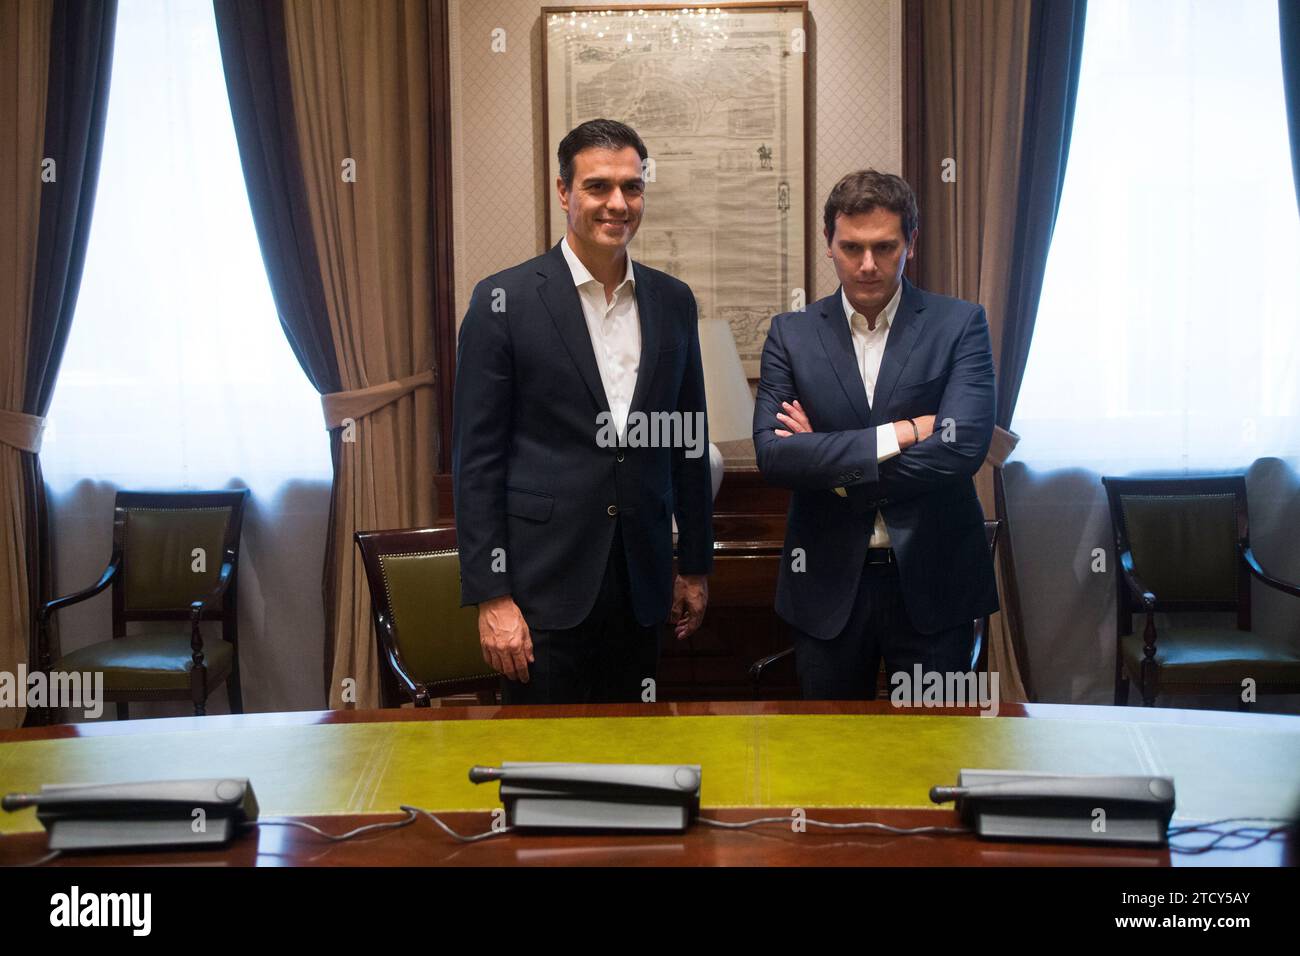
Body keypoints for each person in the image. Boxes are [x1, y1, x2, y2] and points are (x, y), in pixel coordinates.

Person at [453, 118, 712, 705]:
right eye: (598, 187)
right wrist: (492, 597)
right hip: (542, 592)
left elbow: (688, 442)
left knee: (638, 764)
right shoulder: (503, 301)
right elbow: (477, 464)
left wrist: (695, 564)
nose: (618, 203)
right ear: (565, 193)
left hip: (644, 587)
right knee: (546, 775)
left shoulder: (673, 301)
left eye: (632, 187)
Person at [753, 169, 998, 700]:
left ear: (911, 243)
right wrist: (905, 432)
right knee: (833, 762)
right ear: (829, 245)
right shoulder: (790, 335)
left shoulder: (959, 325)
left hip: (936, 582)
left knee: (935, 753)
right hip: (825, 587)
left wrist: (829, 467)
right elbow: (775, 457)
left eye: (885, 247)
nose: (867, 265)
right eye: (852, 247)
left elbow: (961, 450)